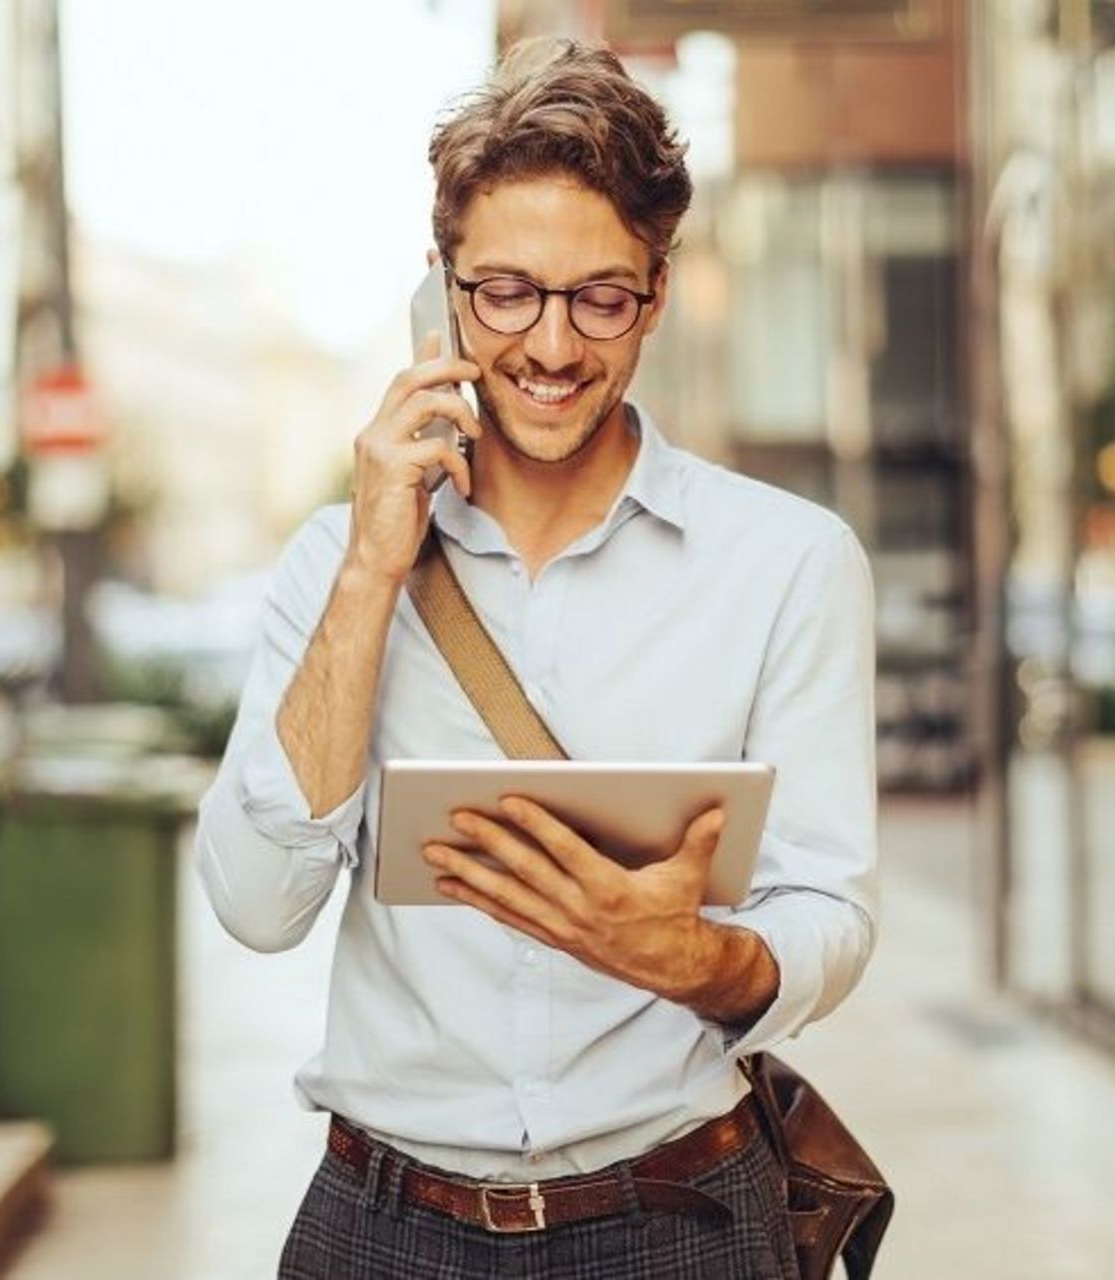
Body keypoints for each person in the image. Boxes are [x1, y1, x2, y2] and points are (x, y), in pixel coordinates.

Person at [196, 36, 877, 1280]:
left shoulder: (788, 561)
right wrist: (370, 570)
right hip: (381, 1223)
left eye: (599, 296)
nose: (552, 347)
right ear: (440, 291)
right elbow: (254, 903)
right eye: (504, 290)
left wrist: (687, 955)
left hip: (680, 1216)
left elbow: (828, 907)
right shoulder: (334, 563)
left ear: (656, 293)